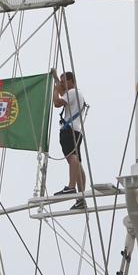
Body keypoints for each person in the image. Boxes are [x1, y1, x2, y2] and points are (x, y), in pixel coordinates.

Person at [51, 70, 87, 210]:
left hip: (69, 130)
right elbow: (62, 91)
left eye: (64, 81)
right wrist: (56, 78)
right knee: (77, 161)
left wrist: (54, 90)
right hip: (77, 130)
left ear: (71, 81)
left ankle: (71, 187)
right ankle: (81, 198)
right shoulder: (77, 95)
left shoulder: (72, 93)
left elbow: (57, 102)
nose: (62, 84)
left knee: (72, 158)